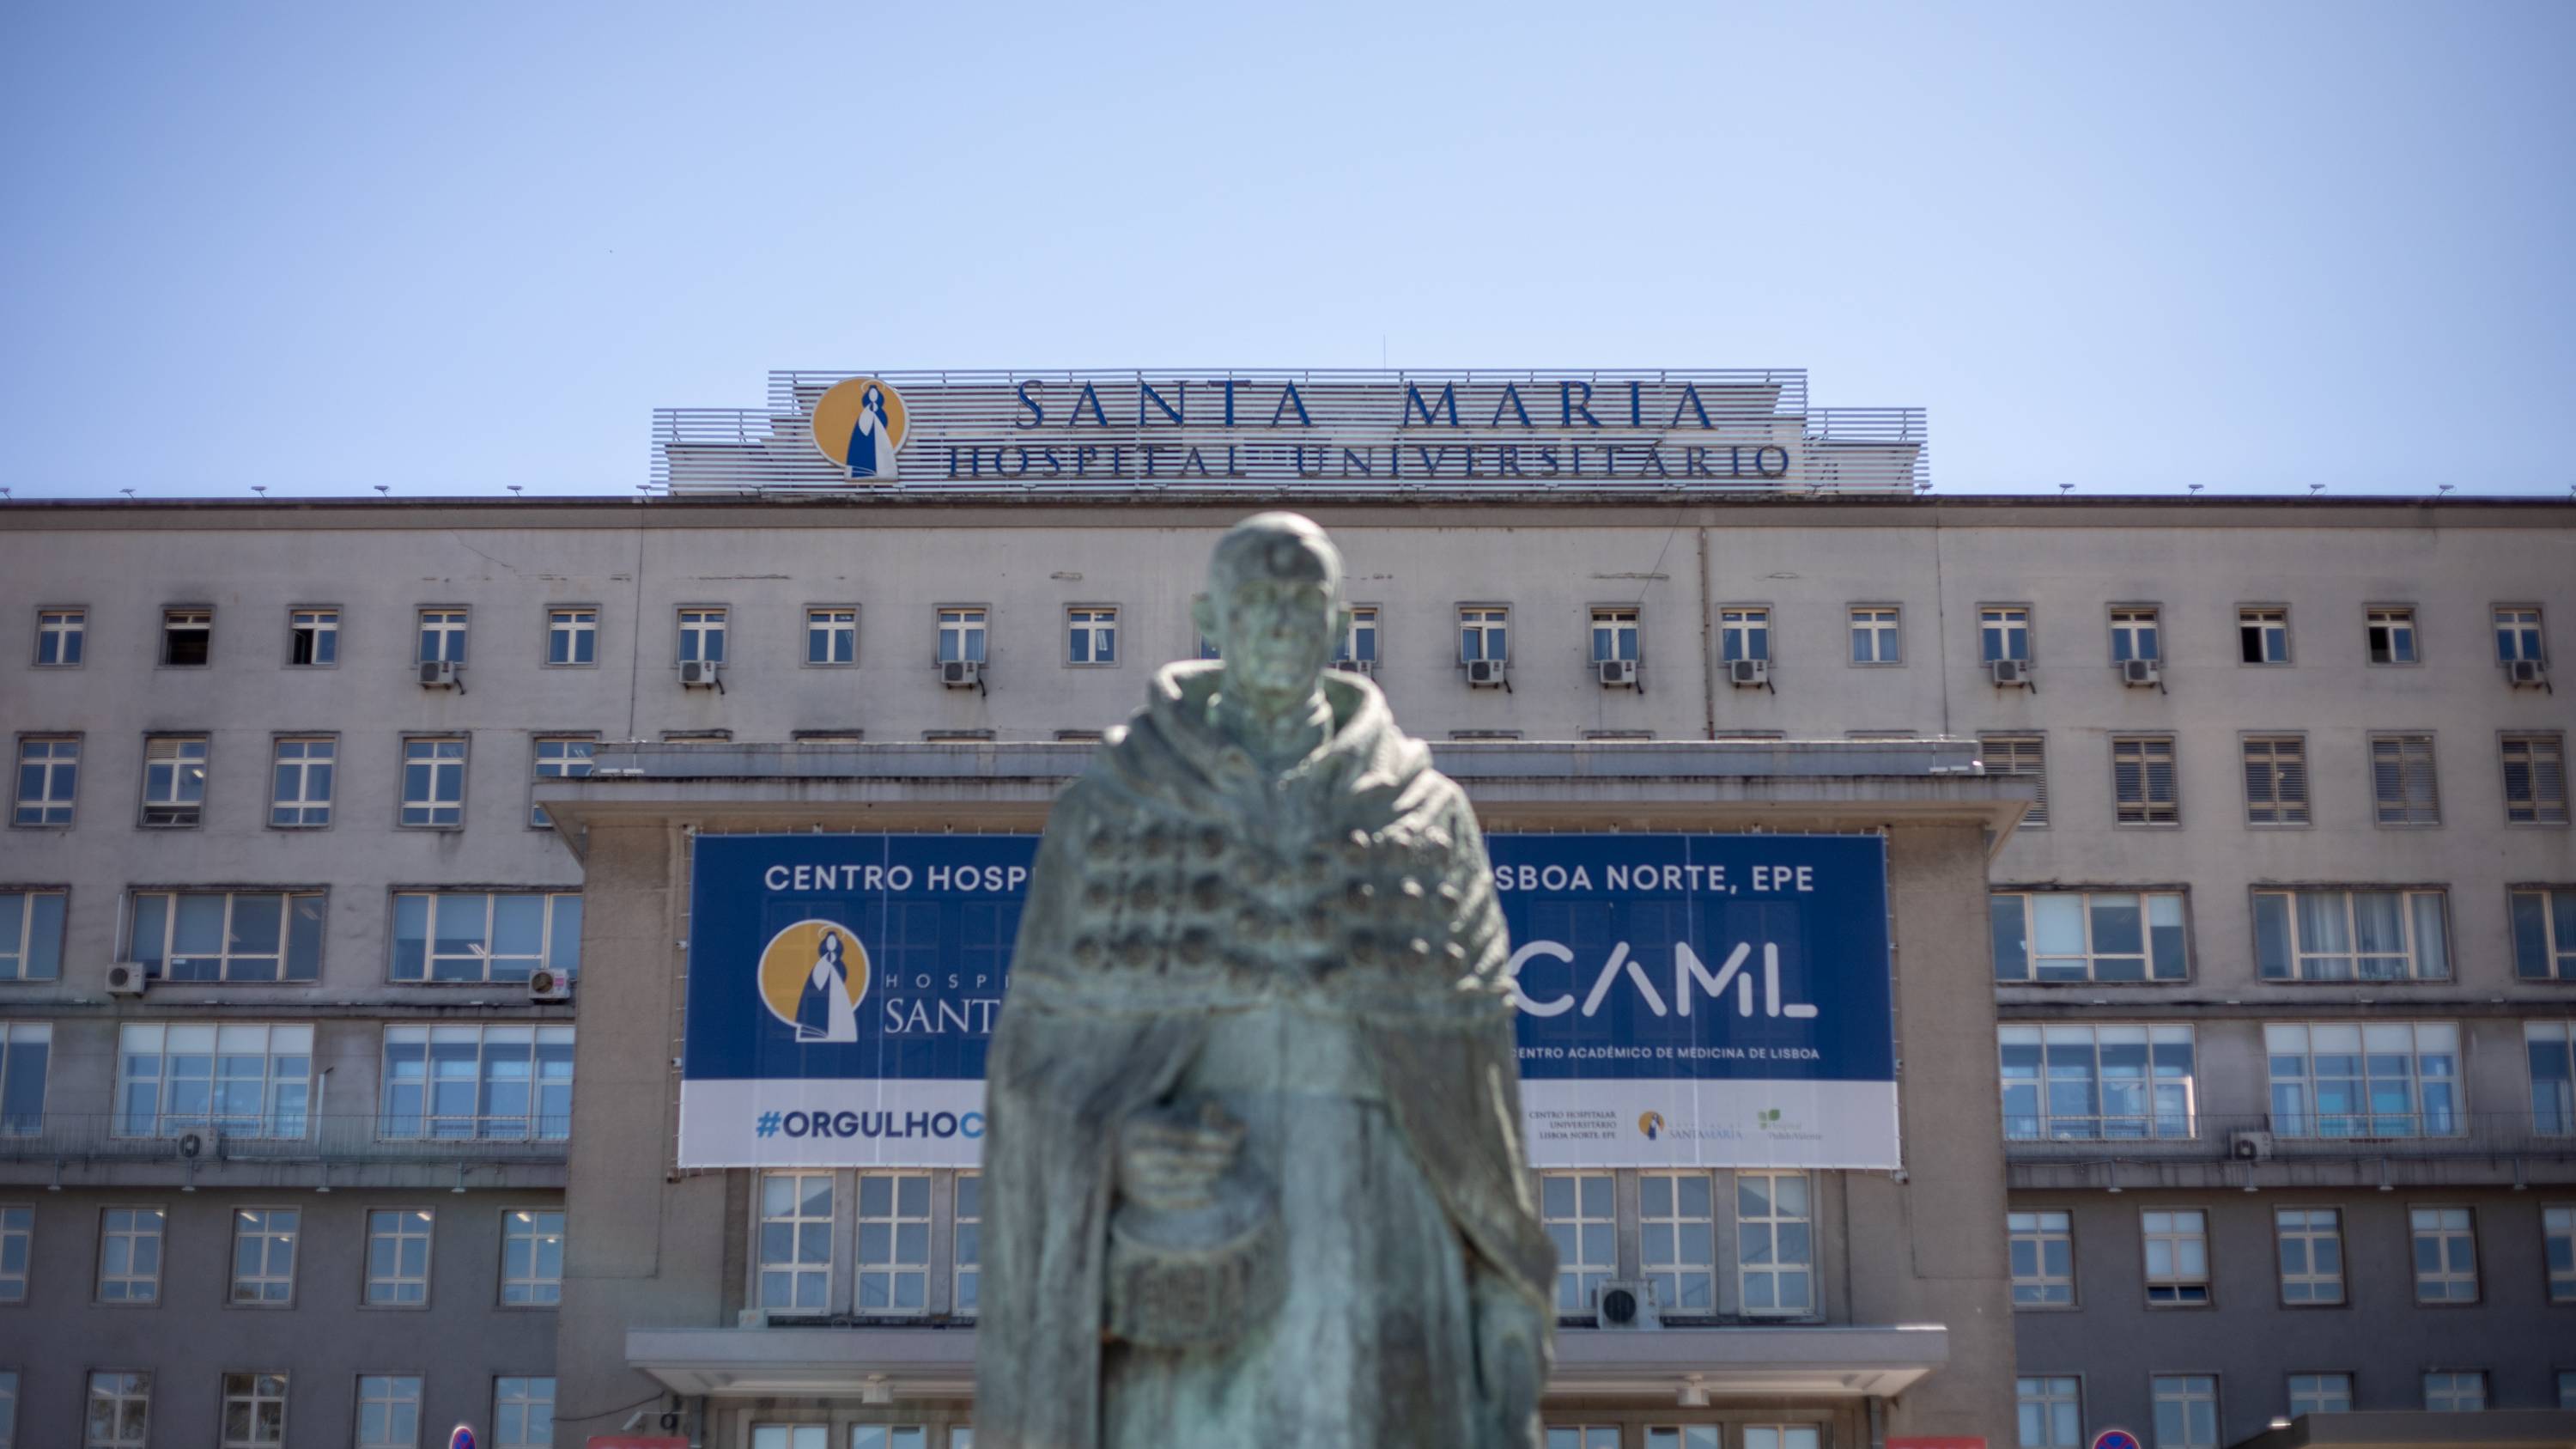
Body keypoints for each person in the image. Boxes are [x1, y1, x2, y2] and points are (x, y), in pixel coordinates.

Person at [979, 512, 1554, 1448]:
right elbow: (1034, 1064)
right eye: (1257, 600)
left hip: (1390, 1234)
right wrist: (1117, 1152)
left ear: (1339, 620)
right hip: (1197, 1242)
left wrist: (1504, 1304)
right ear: (1211, 615)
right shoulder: (1111, 810)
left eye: (1303, 599)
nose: (1281, 621)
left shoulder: (1428, 814)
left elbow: (1482, 1099)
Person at [793, 928, 859, 1044]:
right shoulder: (821, 962)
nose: (831, 945)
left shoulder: (839, 962)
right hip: (821, 994)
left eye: (833, 942)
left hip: (835, 994)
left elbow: (843, 974)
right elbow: (816, 979)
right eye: (829, 942)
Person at [845, 384, 899, 480]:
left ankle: (882, 472)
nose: (873, 397)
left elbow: (884, 421)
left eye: (875, 395)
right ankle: (861, 472)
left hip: (878, 435)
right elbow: (862, 425)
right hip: (864, 437)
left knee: (880, 454)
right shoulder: (865, 411)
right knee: (863, 453)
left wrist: (876, 420)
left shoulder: (880, 410)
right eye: (871, 394)